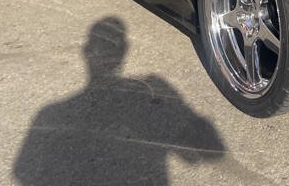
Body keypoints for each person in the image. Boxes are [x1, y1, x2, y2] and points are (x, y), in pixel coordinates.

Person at [13, 17, 224, 186]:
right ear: (123, 52)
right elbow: (206, 152)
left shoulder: (50, 114)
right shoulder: (51, 114)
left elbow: (23, 172)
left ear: (86, 52)